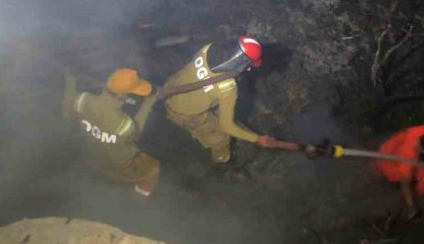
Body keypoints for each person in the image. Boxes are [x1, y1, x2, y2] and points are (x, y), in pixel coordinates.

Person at [162, 35, 292, 165]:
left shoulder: (208, 48)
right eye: (248, 65)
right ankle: (221, 161)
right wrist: (257, 138)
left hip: (171, 87)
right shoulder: (227, 88)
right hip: (184, 113)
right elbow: (227, 127)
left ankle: (220, 117)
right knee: (221, 137)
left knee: (222, 112)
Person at [62, 67, 161, 199]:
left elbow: (67, 113)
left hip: (91, 156)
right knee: (153, 169)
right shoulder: (123, 123)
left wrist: (70, 80)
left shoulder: (83, 99)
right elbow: (135, 134)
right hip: (119, 166)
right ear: (122, 96)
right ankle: (141, 198)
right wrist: (150, 101)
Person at [375, 124, 424, 220]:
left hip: (388, 149)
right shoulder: (408, 158)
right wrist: (412, 209)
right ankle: (410, 196)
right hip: (388, 165)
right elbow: (405, 184)